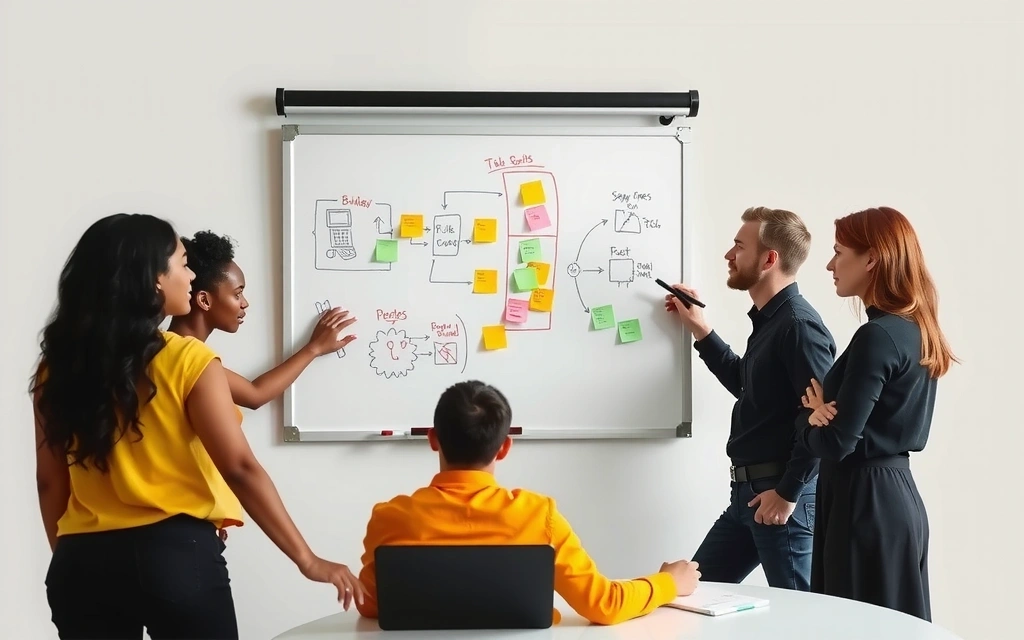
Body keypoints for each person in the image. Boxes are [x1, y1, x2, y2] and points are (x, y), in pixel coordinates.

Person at [32, 213, 365, 640]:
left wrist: (72, 558)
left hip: (81, 560)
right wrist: (307, 559)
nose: (190, 276)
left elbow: (48, 482)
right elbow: (240, 468)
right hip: (174, 555)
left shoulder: (56, 368)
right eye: (183, 263)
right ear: (155, 279)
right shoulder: (188, 361)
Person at [354, 380, 702, 626]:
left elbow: (370, 605)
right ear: (504, 447)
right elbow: (603, 606)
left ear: (433, 440)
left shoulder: (390, 517)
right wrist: (669, 582)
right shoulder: (538, 515)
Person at [664, 206, 836, 591]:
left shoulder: (798, 326)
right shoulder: (771, 322)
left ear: (769, 259)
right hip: (747, 498)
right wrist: (701, 330)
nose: (729, 255)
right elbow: (747, 386)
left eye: (739, 246)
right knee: (693, 592)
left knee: (803, 621)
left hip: (779, 499)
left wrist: (788, 494)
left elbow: (824, 420)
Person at [796, 206, 955, 621]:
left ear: (871, 259)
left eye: (838, 253)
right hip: (893, 498)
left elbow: (836, 442)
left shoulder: (876, 336)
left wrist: (811, 420)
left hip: (863, 503)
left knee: (854, 627)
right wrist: (819, 417)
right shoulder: (916, 330)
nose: (830, 265)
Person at [168, 230, 355, 410]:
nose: (245, 303)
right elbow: (255, 396)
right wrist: (314, 348)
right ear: (204, 300)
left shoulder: (163, 348)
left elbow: (255, 394)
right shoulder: (191, 359)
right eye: (238, 293)